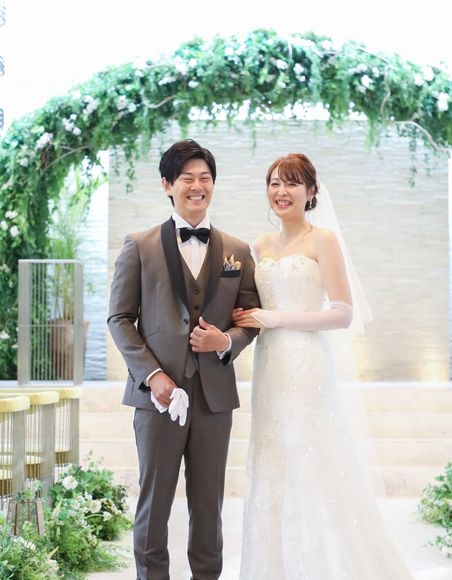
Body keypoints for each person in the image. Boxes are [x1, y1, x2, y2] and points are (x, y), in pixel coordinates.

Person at [232, 153, 411, 578]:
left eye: (292, 183)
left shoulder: (323, 240)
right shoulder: (259, 245)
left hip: (305, 362)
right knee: (272, 457)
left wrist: (275, 317)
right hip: (270, 365)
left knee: (309, 455)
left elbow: (343, 313)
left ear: (311, 191)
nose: (281, 192)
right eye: (274, 183)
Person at [108, 139, 260, 580]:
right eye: (187, 178)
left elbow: (250, 318)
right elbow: (120, 318)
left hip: (215, 397)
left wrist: (225, 340)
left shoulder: (237, 250)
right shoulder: (139, 245)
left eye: (205, 178)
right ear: (167, 185)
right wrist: (152, 375)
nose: (197, 186)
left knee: (209, 504)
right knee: (154, 502)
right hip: (158, 394)